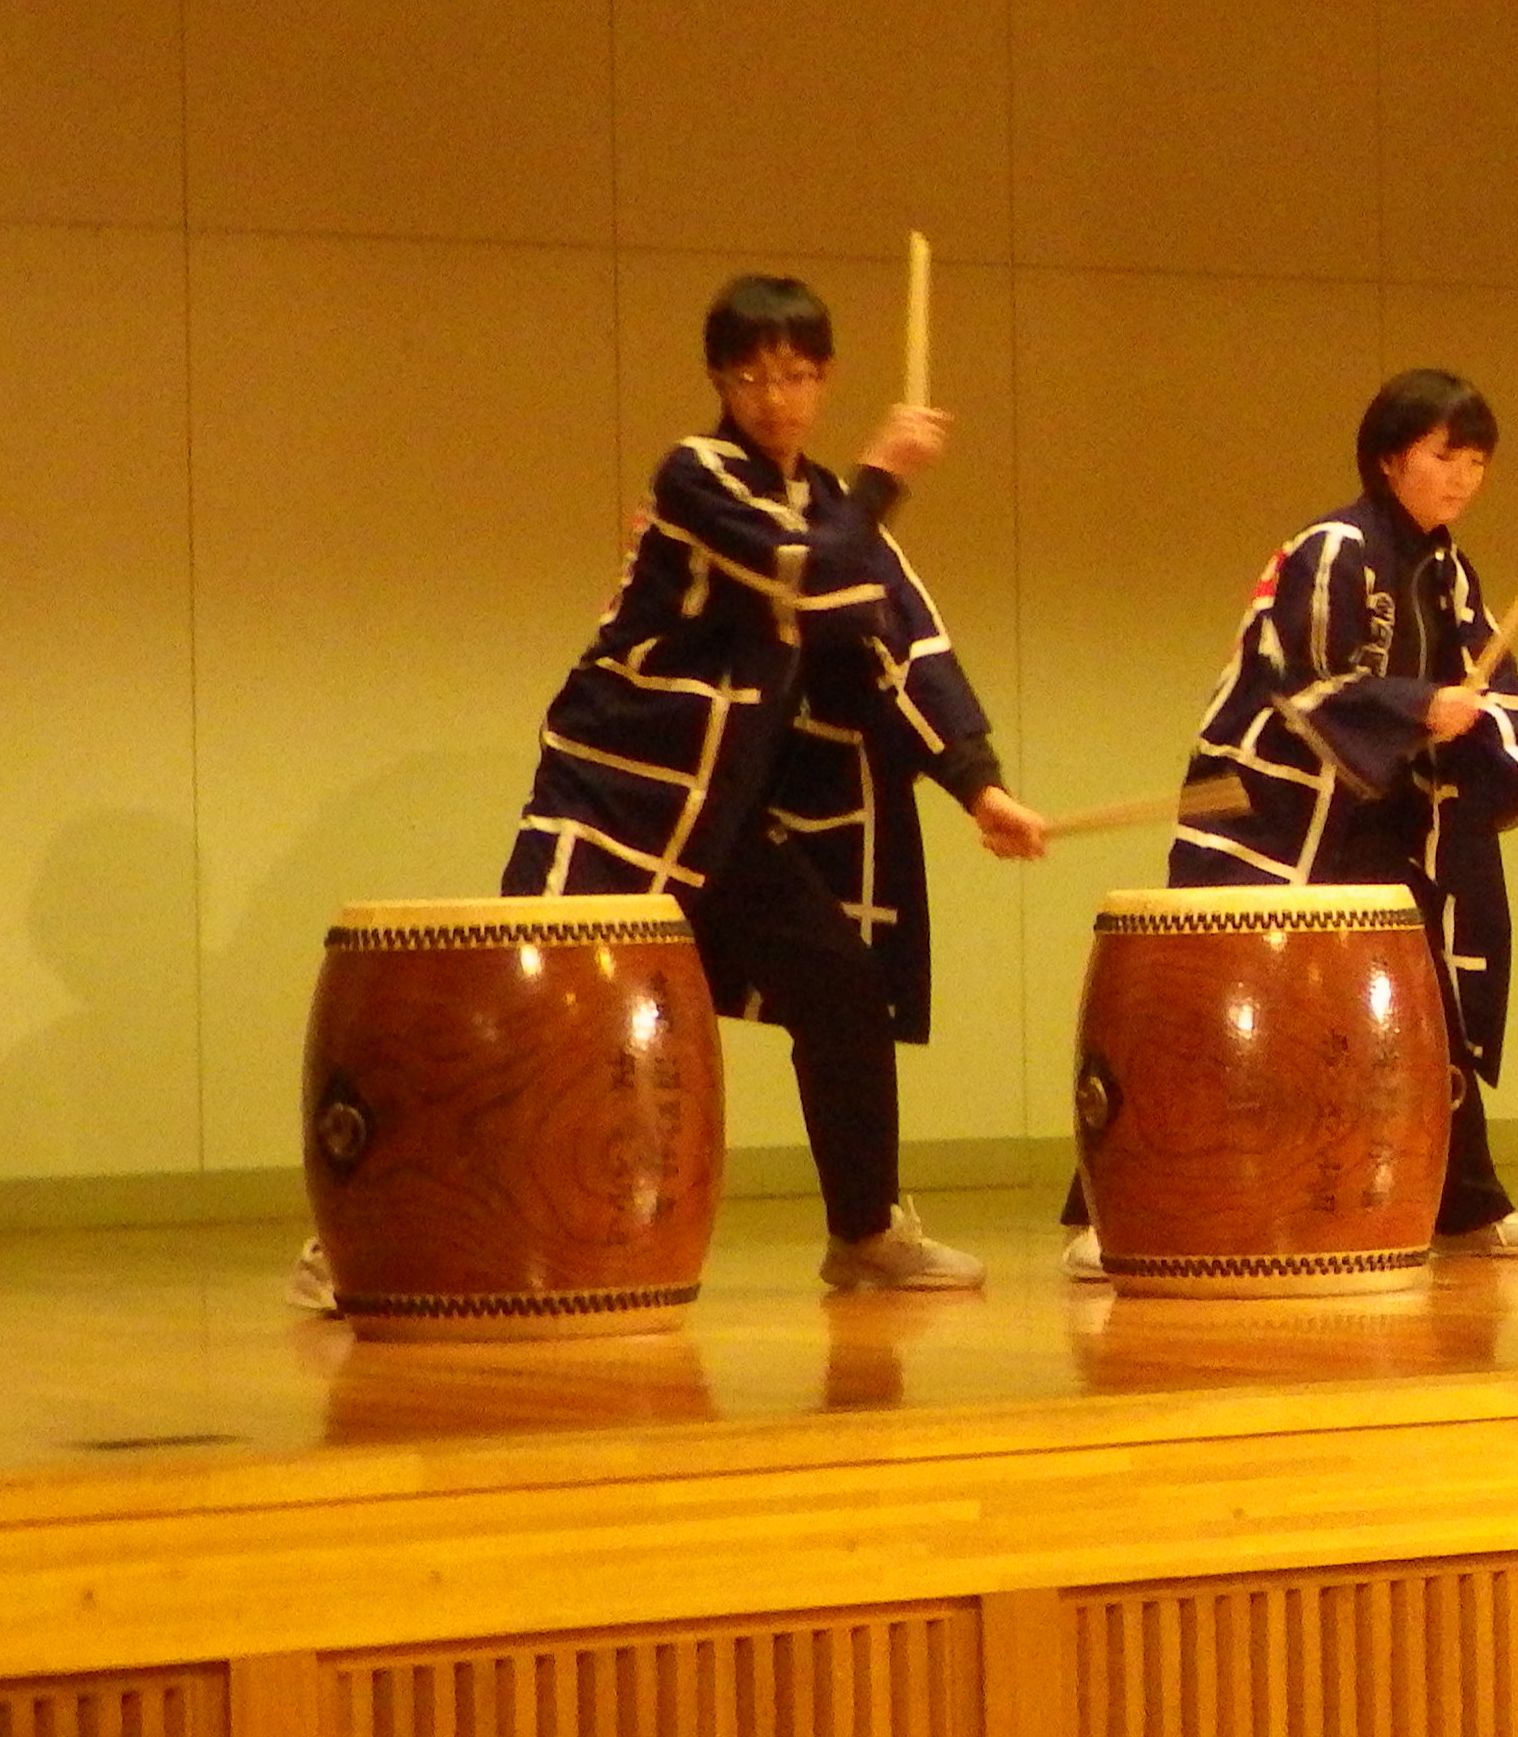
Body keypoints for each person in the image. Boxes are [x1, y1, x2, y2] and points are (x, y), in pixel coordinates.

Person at [292, 273, 1047, 1311]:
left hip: (721, 821)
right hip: (612, 792)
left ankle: (866, 1234)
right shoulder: (697, 476)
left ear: (823, 378)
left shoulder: (828, 505)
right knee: (521, 1021)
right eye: (751, 374)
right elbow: (809, 576)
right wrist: (884, 474)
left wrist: (979, 786)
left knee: (840, 991)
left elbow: (896, 646)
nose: (774, 397)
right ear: (719, 380)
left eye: (795, 374)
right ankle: (358, 1238)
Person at [1069, 369, 1518, 1271]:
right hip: (1261, 805)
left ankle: (1468, 1204)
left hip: (1362, 817)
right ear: (1390, 457)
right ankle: (1108, 1215)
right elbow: (1308, 684)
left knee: (1421, 1000)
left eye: (1477, 461)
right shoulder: (1334, 549)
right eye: (1446, 456)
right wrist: (1417, 707)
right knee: (1193, 1014)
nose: (1463, 478)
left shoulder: (1446, 570)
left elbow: (1494, 685)